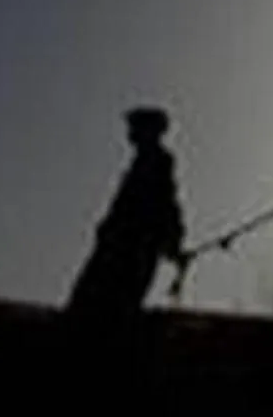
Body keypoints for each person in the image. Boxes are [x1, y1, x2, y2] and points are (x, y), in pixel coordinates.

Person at [66, 105, 187, 322]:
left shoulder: (155, 163)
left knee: (100, 307)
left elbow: (166, 206)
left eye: (135, 126)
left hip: (127, 252)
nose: (130, 132)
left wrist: (173, 242)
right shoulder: (147, 164)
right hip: (122, 248)